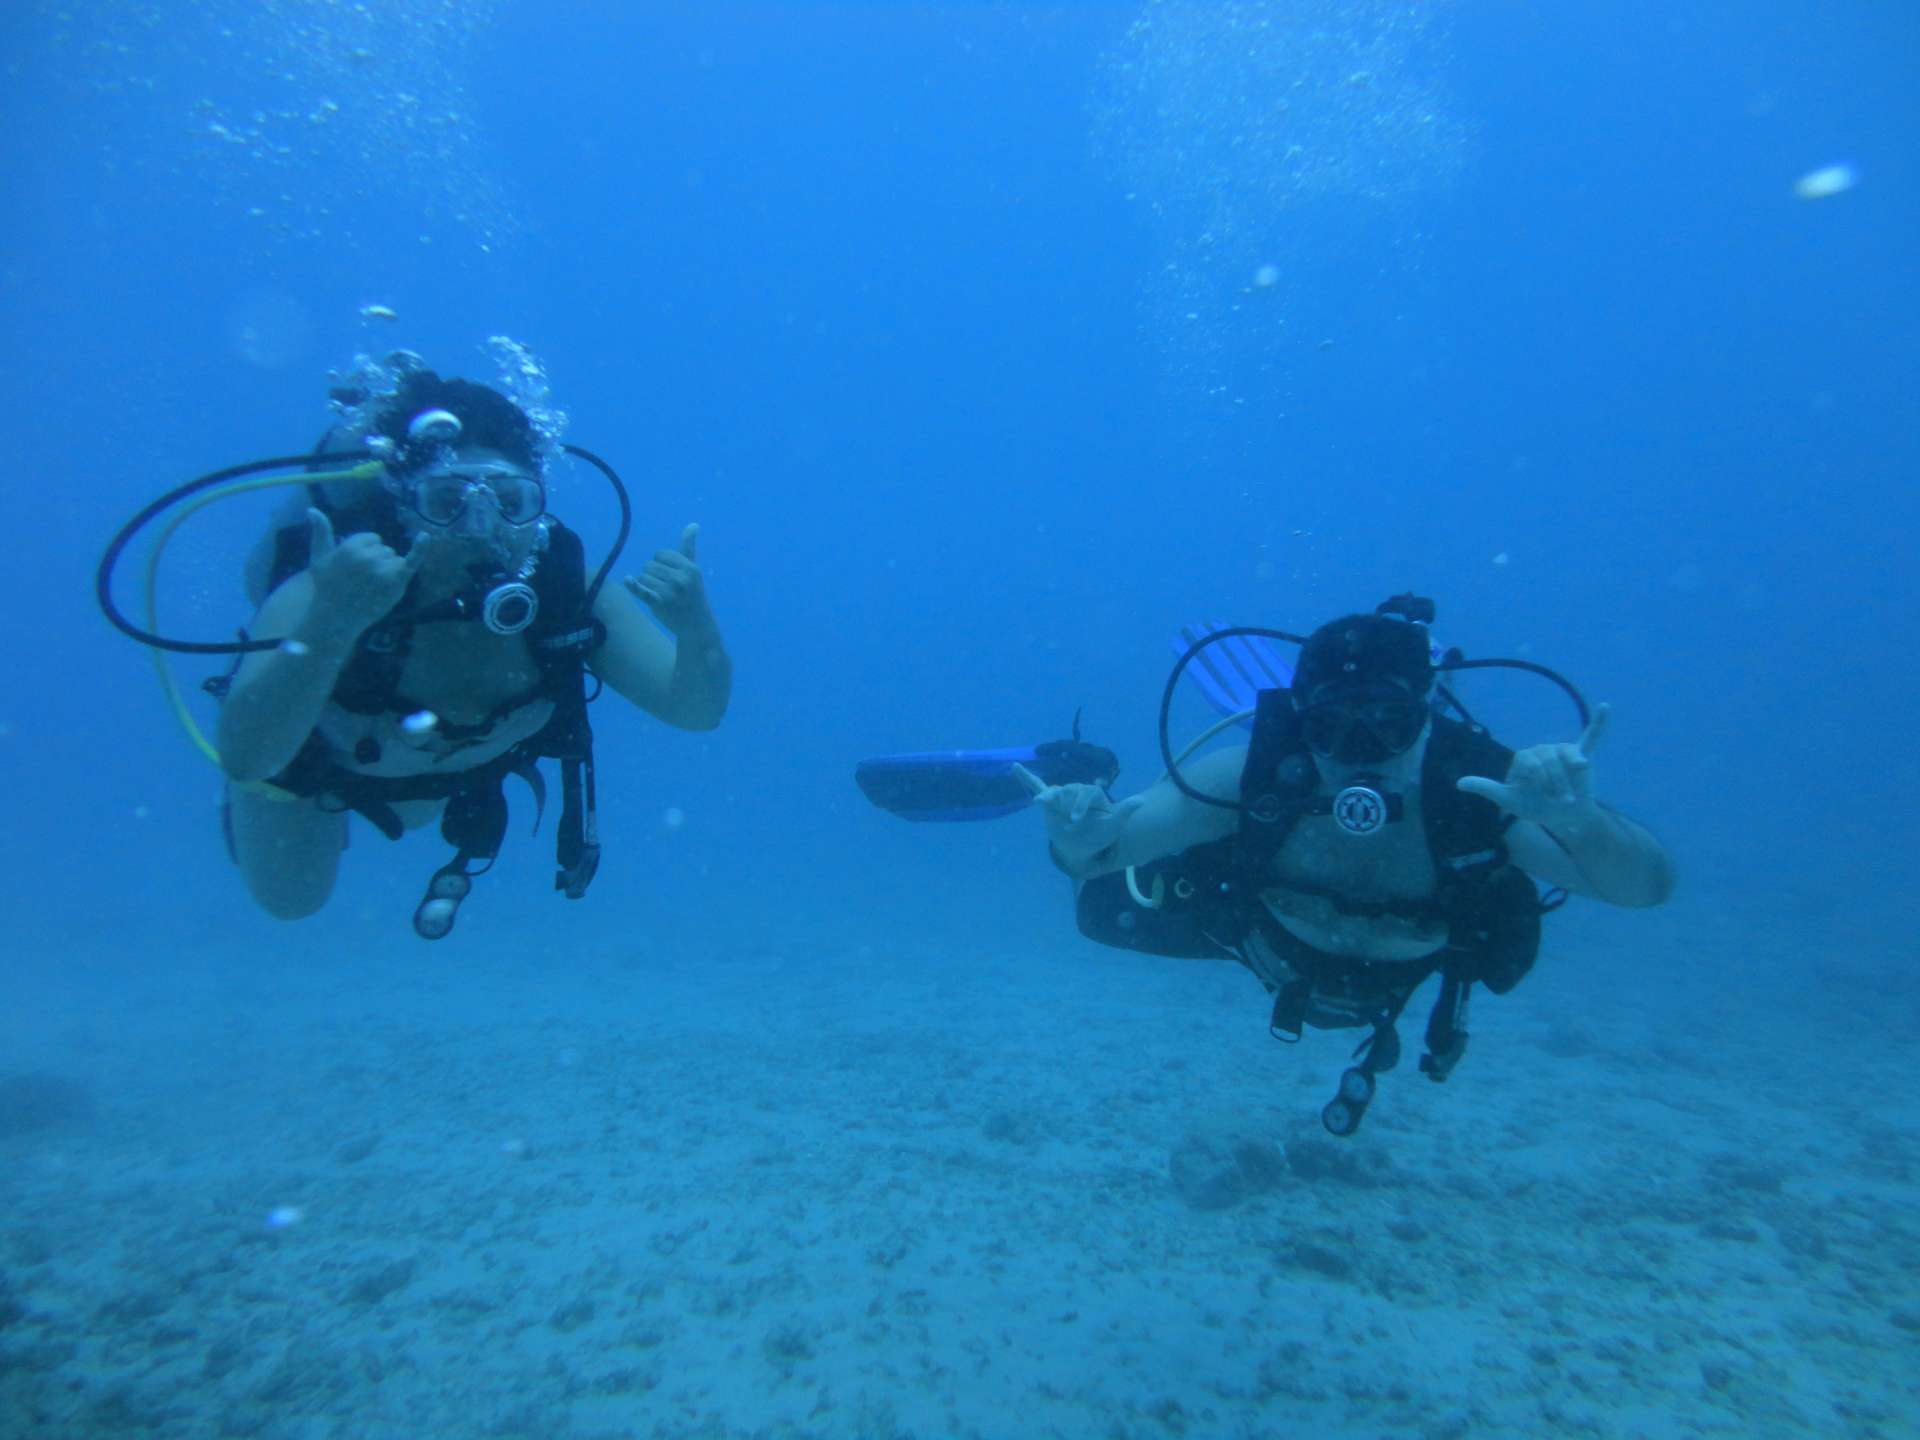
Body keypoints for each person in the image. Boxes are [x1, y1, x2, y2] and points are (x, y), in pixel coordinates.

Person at [1015, 599, 1673, 1136]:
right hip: (1257, 937)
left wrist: (1582, 823)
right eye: (1330, 728)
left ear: (1427, 716)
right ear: (1302, 720)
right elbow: (1099, 855)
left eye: (1389, 723)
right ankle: (1092, 776)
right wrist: (1080, 835)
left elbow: (1645, 889)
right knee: (1097, 909)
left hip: (1394, 969)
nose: (1361, 751)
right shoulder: (1252, 774)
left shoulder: (1477, 790)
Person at [214, 361, 732, 937]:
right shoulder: (333, 589)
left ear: (539, 508)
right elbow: (247, 759)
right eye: (446, 502)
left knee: (415, 809)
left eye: (511, 501)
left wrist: (695, 626)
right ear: (403, 505)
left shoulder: (568, 593)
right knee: (291, 899)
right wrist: (331, 625)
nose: (481, 528)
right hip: (324, 764)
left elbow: (694, 710)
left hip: (444, 769)